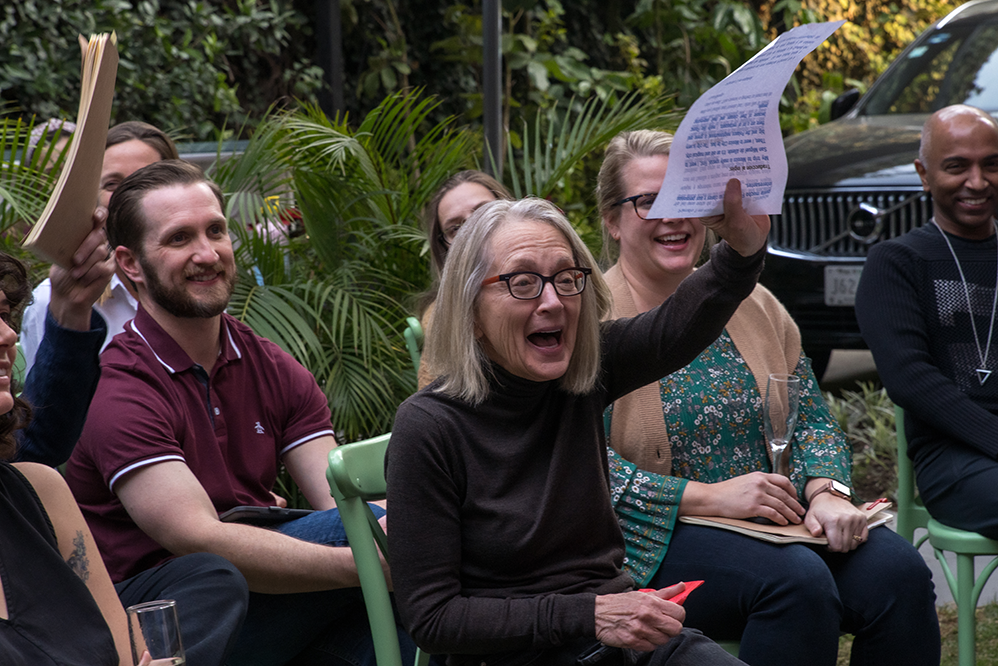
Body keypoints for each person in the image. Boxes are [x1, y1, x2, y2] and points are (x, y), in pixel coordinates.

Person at [386, 183, 770, 665]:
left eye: (567, 278)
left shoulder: (584, 374)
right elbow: (435, 618)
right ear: (472, 315)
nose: (552, 301)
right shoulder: (428, 426)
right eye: (521, 282)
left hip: (622, 640)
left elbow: (676, 325)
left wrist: (741, 250)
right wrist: (590, 615)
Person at [597, 130, 939, 666]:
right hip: (656, 535)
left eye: (688, 199)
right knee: (796, 584)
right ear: (612, 220)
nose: (673, 217)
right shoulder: (589, 318)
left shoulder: (755, 304)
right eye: (649, 201)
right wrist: (706, 498)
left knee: (900, 575)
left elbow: (810, 418)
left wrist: (827, 491)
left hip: (776, 523)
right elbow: (582, 464)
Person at [66, 159, 412, 666]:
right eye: (179, 238)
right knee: (389, 535)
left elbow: (337, 494)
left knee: (410, 619)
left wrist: (390, 556)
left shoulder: (269, 364)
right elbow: (196, 539)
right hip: (166, 625)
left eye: (216, 231)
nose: (207, 254)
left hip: (273, 606)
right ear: (131, 263)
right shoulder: (121, 387)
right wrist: (370, 566)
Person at [0, 251, 152, 665]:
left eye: (4, 314)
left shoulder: (40, 490)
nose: (8, 335)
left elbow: (127, 654)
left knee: (213, 577)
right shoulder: (132, 374)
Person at [856, 104, 998, 540]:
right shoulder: (897, 263)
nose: (977, 182)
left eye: (991, 165)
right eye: (957, 167)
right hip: (955, 459)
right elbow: (910, 379)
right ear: (923, 173)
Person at [21, 120, 179, 372]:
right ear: (90, 195)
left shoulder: (199, 277)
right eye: (112, 184)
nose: (130, 195)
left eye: (148, 178)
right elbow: (43, 407)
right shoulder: (52, 300)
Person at [417, 170, 512, 388]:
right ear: (444, 248)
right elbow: (434, 397)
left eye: (484, 212)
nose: (472, 229)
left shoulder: (562, 282)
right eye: (456, 228)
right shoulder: (440, 319)